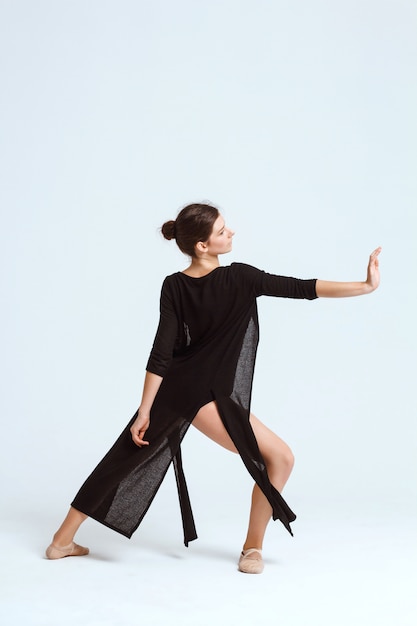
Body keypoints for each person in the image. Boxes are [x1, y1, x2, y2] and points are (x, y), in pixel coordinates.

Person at [45, 203, 381, 574]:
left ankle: (61, 541)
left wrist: (364, 285)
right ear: (202, 246)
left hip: (183, 388)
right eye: (222, 231)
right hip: (201, 394)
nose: (231, 233)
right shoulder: (222, 280)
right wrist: (143, 409)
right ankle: (252, 549)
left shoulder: (213, 280)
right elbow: (161, 349)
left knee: (123, 459)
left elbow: (300, 288)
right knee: (280, 458)